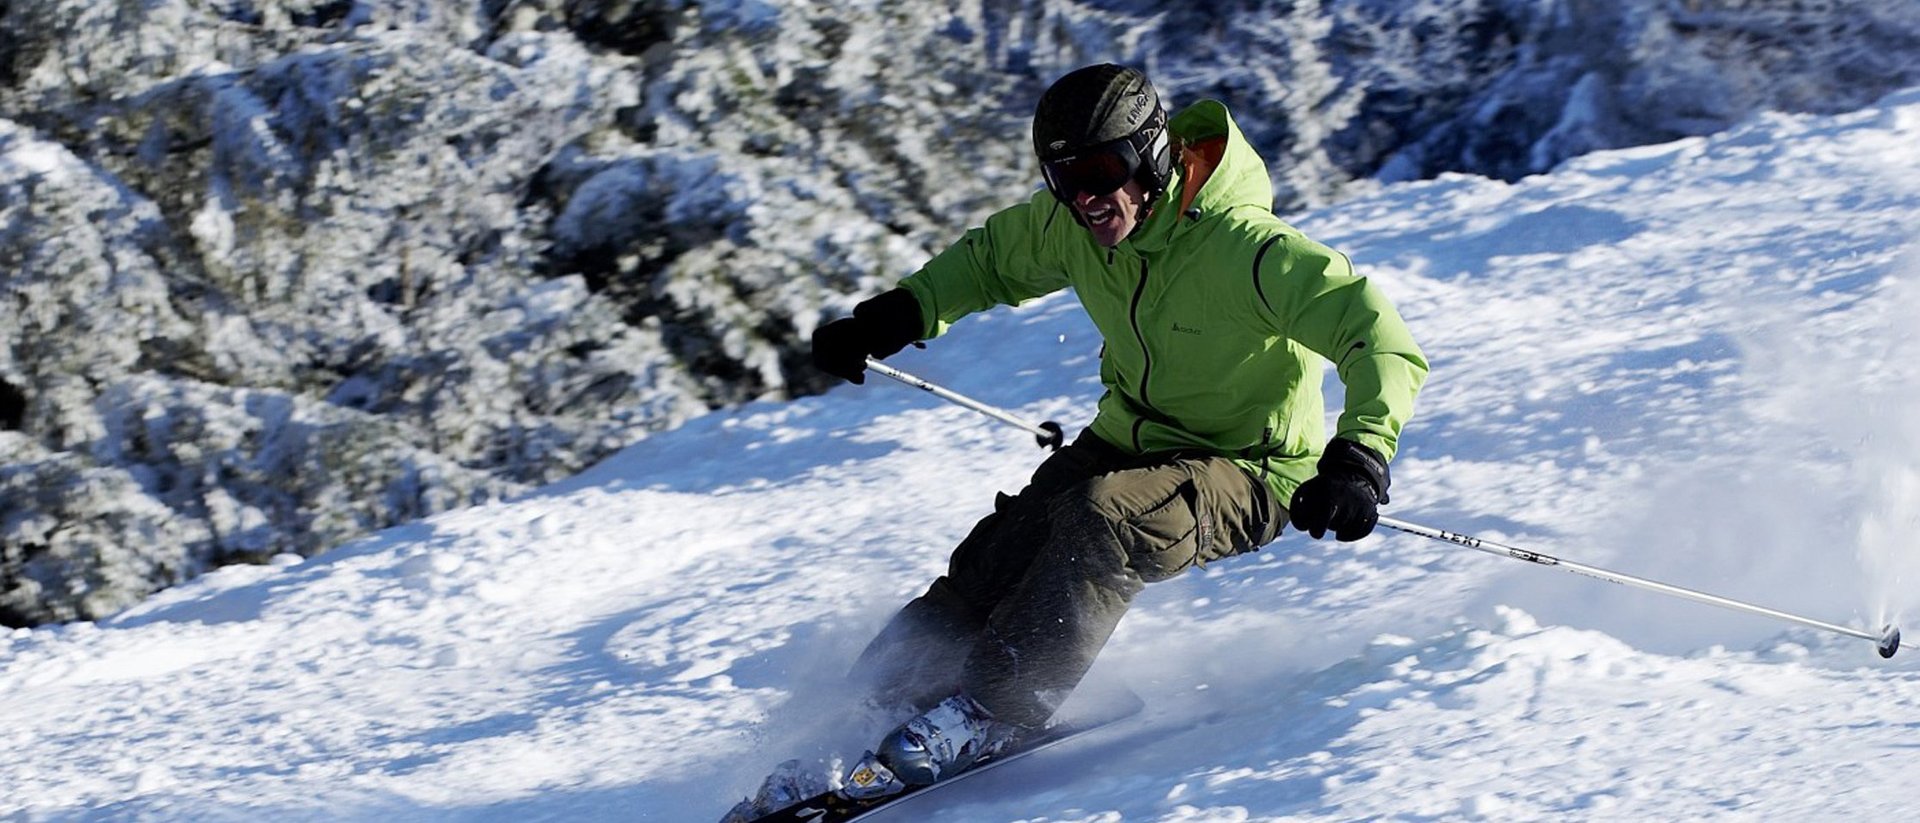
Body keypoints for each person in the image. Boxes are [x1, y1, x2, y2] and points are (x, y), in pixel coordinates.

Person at [810, 63, 1428, 795]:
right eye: (1064, 179)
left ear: (1152, 154)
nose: (1087, 198)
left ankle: (995, 709)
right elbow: (991, 262)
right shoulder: (1079, 227)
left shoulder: (1247, 250)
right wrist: (897, 314)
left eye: (1102, 170)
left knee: (1102, 520)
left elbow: (1378, 337)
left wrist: (1358, 459)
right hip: (1130, 436)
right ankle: (868, 707)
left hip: (1252, 465)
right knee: (995, 558)